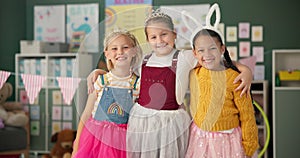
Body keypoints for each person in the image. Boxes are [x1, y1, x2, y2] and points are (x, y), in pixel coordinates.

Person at [87, 8, 253, 158]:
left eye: (164, 34)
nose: (159, 40)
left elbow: (214, 59)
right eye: (153, 37)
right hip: (143, 119)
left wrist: (245, 70)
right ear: (148, 39)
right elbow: (120, 69)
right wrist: (98, 72)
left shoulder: (186, 56)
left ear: (174, 34)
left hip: (171, 121)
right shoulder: (142, 59)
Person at [185, 3, 258, 158]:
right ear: (195, 53)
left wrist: (249, 145)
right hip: (200, 138)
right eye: (201, 50)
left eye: (212, 48)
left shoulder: (235, 78)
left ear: (222, 49)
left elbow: (247, 114)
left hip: (228, 140)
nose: (207, 54)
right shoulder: (194, 73)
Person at [72, 29, 142, 158]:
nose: (120, 52)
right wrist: (76, 145)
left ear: (134, 51)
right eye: (114, 48)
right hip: (95, 140)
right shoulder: (100, 81)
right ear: (107, 54)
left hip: (123, 143)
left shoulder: (138, 84)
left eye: (125, 47)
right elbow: (86, 114)